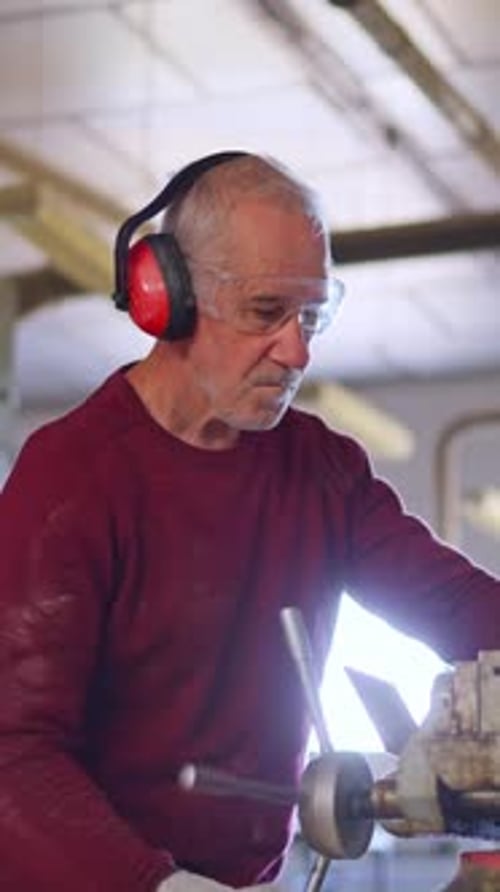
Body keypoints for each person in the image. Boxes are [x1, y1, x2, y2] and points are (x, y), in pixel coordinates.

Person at [0, 150, 499, 892]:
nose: (296, 350)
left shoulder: (323, 471)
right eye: (267, 312)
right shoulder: (71, 479)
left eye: (312, 314)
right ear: (166, 297)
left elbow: (461, 607)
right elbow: (14, 756)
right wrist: (155, 886)